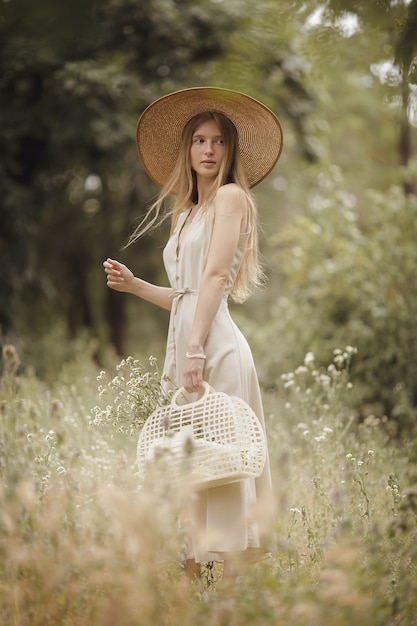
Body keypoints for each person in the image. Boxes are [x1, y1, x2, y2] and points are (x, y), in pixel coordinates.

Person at [103, 87, 283, 580]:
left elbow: (215, 279)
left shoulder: (231, 198)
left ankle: (231, 584)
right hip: (187, 349)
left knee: (220, 458)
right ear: (187, 150)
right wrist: (137, 286)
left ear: (230, 151)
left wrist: (198, 348)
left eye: (219, 141)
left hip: (215, 350)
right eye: (199, 140)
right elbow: (185, 295)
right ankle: (191, 578)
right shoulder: (183, 214)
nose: (208, 150)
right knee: (189, 462)